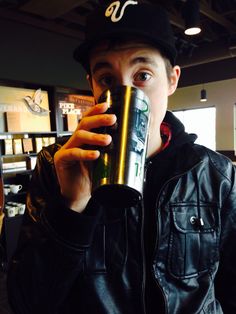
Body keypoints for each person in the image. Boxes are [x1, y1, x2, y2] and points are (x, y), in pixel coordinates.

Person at [7, 1, 236, 314]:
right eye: (106, 79)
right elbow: (27, 302)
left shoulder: (216, 174)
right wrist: (72, 208)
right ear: (92, 86)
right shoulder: (56, 163)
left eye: (142, 75)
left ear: (172, 80)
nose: (126, 92)